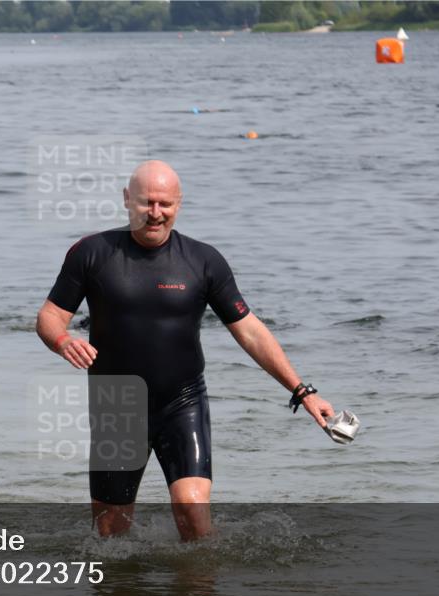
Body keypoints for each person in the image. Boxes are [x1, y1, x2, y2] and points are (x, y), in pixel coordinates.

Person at [36, 160, 334, 541]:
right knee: (110, 535)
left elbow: (251, 333)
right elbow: (48, 317)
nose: (155, 213)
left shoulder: (203, 261)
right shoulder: (92, 253)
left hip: (182, 401)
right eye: (146, 203)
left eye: (165, 204)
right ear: (127, 199)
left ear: (179, 203)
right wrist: (63, 341)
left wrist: (301, 390)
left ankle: (195, 595)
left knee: (192, 511)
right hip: (117, 407)